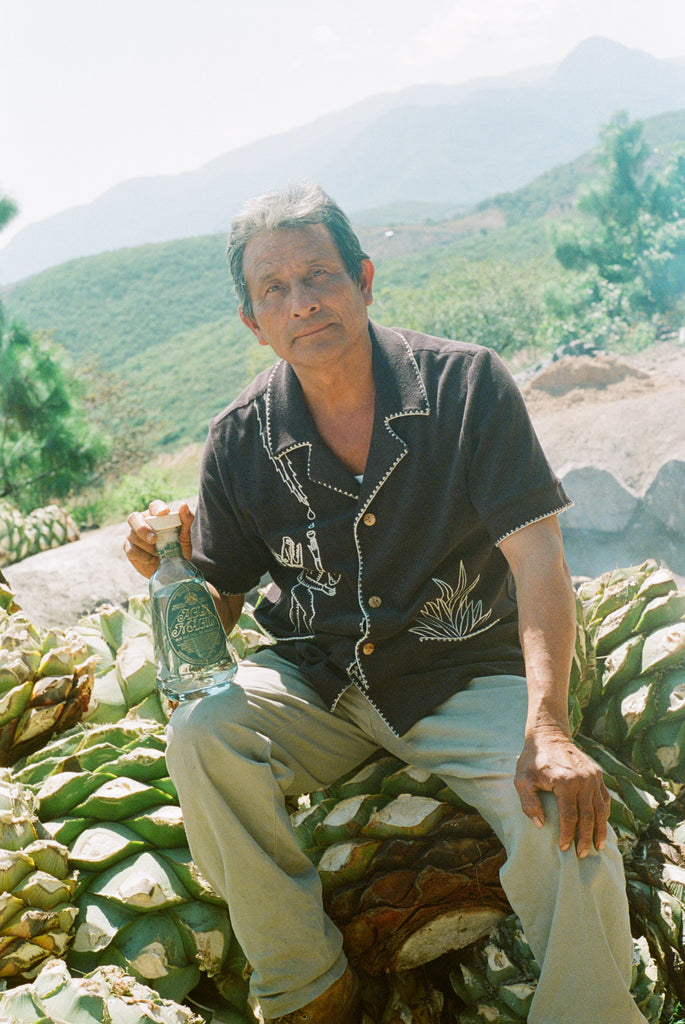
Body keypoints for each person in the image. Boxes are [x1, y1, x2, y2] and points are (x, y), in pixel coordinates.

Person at [125, 183, 646, 1024]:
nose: (303, 302)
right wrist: (166, 566)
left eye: (319, 275)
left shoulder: (466, 385)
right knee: (203, 730)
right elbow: (214, 611)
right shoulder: (238, 439)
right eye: (275, 290)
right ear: (253, 323)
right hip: (318, 683)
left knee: (565, 826)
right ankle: (308, 987)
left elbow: (538, 562)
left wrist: (546, 728)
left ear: (364, 279)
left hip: (463, 672)